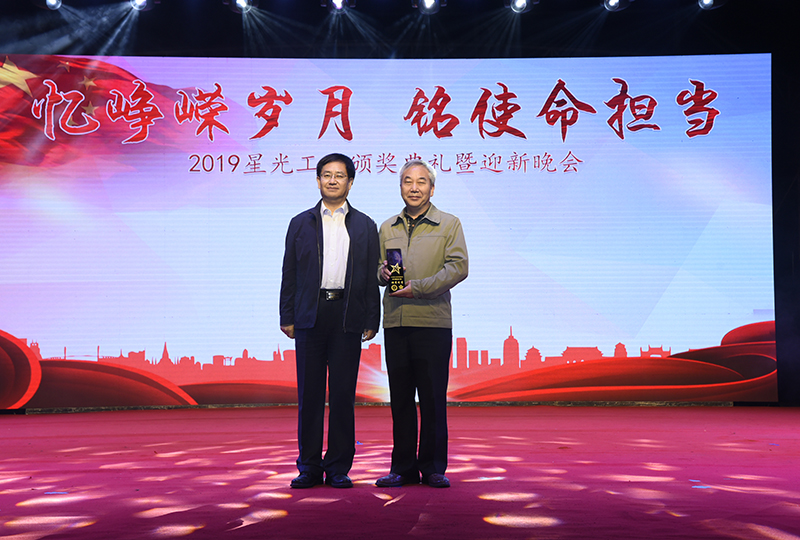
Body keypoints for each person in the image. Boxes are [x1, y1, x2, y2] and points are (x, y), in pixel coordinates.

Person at [280, 153, 380, 489]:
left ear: (351, 182)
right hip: (310, 314)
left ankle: (338, 466)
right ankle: (308, 467)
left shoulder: (365, 225)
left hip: (347, 316)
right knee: (309, 396)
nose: (332, 180)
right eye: (326, 174)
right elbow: (289, 272)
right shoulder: (300, 223)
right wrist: (287, 315)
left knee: (342, 396)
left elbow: (370, 276)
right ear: (318, 180)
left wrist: (372, 318)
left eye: (339, 175)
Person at [375, 159, 468, 489]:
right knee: (400, 400)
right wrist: (382, 273)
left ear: (432, 188)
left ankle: (432, 467)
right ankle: (402, 468)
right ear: (400, 186)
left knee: (432, 399)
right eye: (407, 181)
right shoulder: (387, 227)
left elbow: (458, 267)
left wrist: (420, 288)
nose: (414, 188)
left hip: (433, 322)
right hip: (396, 322)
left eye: (421, 182)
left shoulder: (449, 224)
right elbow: (380, 269)